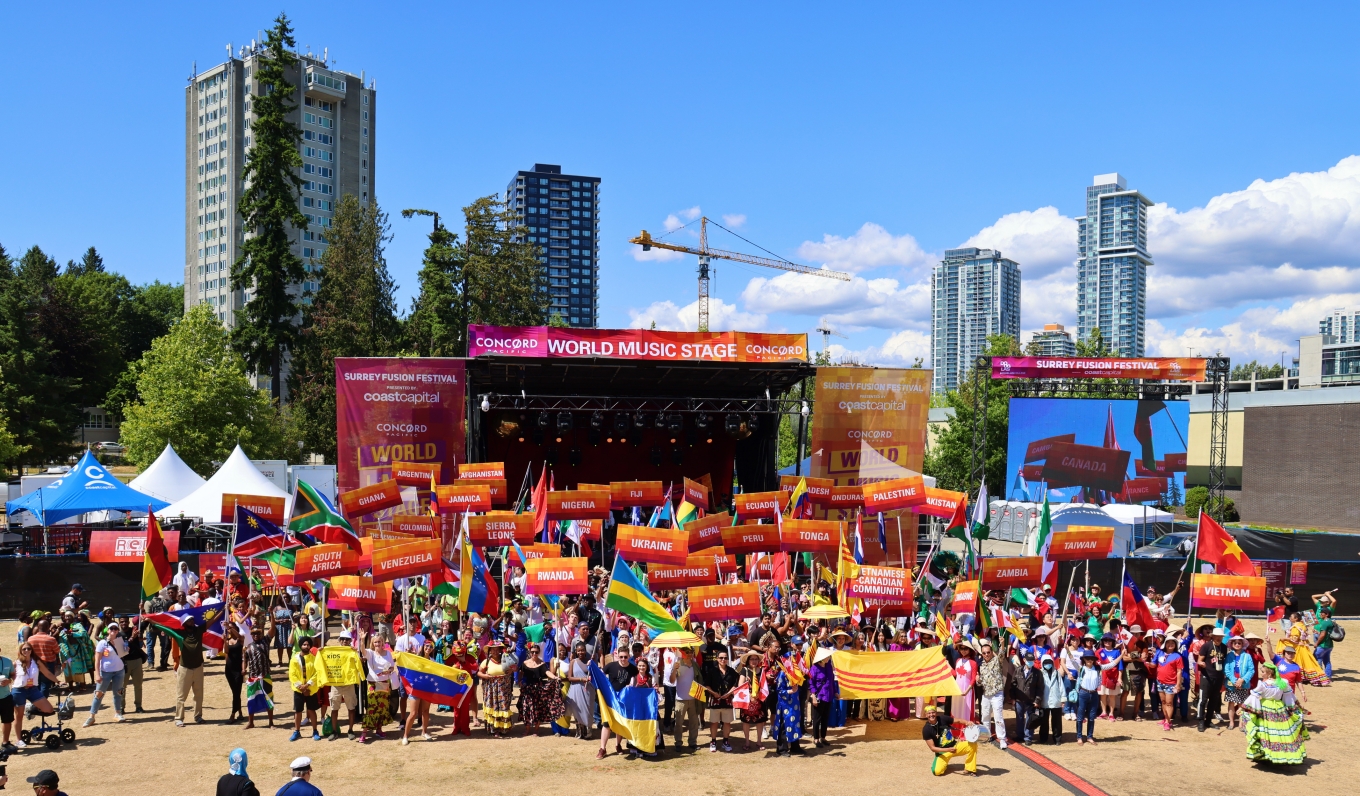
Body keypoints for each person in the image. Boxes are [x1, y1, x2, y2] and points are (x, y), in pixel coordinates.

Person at [1242, 659, 1308, 765]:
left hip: (1265, 709)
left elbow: (1253, 697)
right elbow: (1289, 697)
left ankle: (1267, 755)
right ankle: (1283, 756)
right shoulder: (1283, 683)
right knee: (1281, 733)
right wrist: (1293, 707)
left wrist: (1244, 708)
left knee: (1265, 732)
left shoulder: (1263, 685)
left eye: (1263, 672)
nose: (1261, 673)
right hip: (1279, 709)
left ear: (1269, 673)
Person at [10, 641, 58, 748]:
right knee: (19, 716)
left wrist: (58, 681)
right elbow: (9, 675)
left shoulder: (36, 662)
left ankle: (30, 708)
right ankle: (18, 740)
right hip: (19, 690)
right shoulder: (15, 663)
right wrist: (13, 680)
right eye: (24, 649)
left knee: (49, 709)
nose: (26, 651)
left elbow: (48, 673)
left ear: (32, 650)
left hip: (33, 689)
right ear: (20, 651)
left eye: (29, 649)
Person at [83, 619, 127, 726]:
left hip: (119, 671)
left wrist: (126, 649)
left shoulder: (120, 641)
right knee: (99, 693)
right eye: (111, 628)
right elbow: (97, 660)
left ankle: (118, 713)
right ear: (107, 630)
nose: (114, 630)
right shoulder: (102, 643)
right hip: (105, 672)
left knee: (118, 692)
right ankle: (91, 716)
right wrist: (97, 674)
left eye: (116, 629)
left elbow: (123, 655)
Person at [597, 644, 637, 758]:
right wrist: (592, 667)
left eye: (625, 657)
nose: (623, 659)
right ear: (617, 656)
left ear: (629, 656)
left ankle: (618, 744)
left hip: (624, 700)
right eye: (621, 657)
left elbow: (638, 680)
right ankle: (602, 748)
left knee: (620, 722)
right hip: (610, 699)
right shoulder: (611, 666)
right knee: (607, 724)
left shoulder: (633, 669)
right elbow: (600, 675)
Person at [519, 641, 563, 737]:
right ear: (529, 652)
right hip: (527, 690)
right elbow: (521, 673)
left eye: (536, 652)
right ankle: (527, 729)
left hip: (538, 689)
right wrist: (519, 682)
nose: (534, 654)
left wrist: (555, 677)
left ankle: (536, 730)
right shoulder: (525, 663)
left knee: (538, 710)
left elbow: (547, 672)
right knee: (526, 709)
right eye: (532, 652)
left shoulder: (542, 663)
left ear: (539, 652)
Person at [402, 640, 439, 745]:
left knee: (425, 711)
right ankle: (405, 735)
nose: (428, 648)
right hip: (416, 688)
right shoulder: (416, 659)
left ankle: (424, 732)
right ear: (423, 647)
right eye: (427, 646)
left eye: (431, 647)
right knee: (413, 713)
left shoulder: (433, 661)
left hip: (427, 689)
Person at [360, 635, 397, 743]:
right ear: (373, 643)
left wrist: (389, 671)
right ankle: (364, 733)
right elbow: (363, 651)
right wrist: (362, 639)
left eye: (379, 642)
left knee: (382, 707)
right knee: (371, 708)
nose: (377, 644)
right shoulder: (370, 653)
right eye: (375, 642)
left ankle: (379, 729)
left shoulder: (388, 653)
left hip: (385, 683)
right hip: (372, 683)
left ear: (382, 643)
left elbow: (391, 666)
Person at [923, 706, 976, 777]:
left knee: (973, 744)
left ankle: (970, 769)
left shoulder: (942, 718)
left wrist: (967, 722)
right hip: (943, 752)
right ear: (926, 715)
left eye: (933, 712)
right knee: (936, 772)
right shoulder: (926, 729)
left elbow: (958, 720)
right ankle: (942, 763)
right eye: (929, 713)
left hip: (955, 746)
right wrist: (948, 750)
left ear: (936, 713)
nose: (931, 715)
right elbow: (933, 748)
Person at [175, 614, 207, 727]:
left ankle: (198, 716)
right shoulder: (180, 633)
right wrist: (151, 620)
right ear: (184, 623)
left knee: (198, 694)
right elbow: (164, 627)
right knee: (181, 695)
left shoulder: (198, 630)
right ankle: (179, 718)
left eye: (192, 619)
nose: (192, 622)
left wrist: (222, 610)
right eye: (189, 620)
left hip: (198, 667)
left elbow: (210, 622)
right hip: (185, 669)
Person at [326, 636, 360, 741]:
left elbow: (358, 662)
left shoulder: (353, 651)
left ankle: (350, 730)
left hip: (349, 684)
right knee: (334, 708)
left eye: (347, 639)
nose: (345, 641)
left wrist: (356, 652)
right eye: (342, 639)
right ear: (339, 640)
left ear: (350, 640)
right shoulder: (332, 651)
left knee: (351, 708)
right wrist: (321, 651)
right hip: (336, 684)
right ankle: (334, 731)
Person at [705, 649, 740, 751]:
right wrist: (713, 693)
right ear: (717, 659)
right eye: (721, 658)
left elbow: (735, 685)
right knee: (714, 722)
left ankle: (725, 741)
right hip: (714, 700)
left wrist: (729, 693)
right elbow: (707, 685)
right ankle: (713, 741)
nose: (723, 660)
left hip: (727, 700)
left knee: (727, 722)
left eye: (725, 658)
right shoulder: (712, 671)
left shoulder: (732, 671)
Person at [479, 641, 516, 738]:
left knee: (503, 707)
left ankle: (503, 728)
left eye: (497, 649)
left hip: (504, 689)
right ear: (490, 651)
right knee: (493, 707)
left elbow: (515, 667)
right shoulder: (486, 661)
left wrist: (512, 669)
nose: (495, 651)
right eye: (493, 649)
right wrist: (485, 676)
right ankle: (494, 729)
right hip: (491, 690)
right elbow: (478, 673)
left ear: (500, 650)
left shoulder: (506, 659)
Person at [288, 637, 322, 742]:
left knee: (311, 710)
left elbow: (317, 673)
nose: (306, 646)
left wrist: (307, 685)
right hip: (299, 690)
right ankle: (297, 731)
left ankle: (315, 731)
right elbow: (292, 674)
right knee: (298, 711)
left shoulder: (314, 658)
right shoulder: (294, 658)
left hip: (311, 689)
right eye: (304, 644)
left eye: (308, 645)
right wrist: (301, 687)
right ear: (300, 645)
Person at [669, 646, 701, 751]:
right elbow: (672, 681)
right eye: (687, 652)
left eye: (691, 652)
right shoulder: (678, 664)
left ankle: (692, 742)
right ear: (683, 653)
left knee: (694, 723)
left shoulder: (695, 665)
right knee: (678, 723)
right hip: (680, 699)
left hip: (693, 699)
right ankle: (678, 743)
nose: (689, 654)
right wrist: (674, 670)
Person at [976, 639, 1006, 748]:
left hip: (997, 693)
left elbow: (1002, 654)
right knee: (985, 716)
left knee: (998, 717)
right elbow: (980, 683)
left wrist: (1002, 644)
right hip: (986, 694)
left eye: (988, 652)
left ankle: (1002, 738)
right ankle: (986, 735)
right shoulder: (981, 665)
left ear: (991, 652)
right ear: (982, 654)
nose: (986, 655)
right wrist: (978, 681)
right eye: (984, 653)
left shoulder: (997, 661)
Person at [1196, 627, 1228, 731]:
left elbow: (1224, 661)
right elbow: (1199, 660)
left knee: (1213, 700)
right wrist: (1202, 664)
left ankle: (1208, 721)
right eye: (1217, 636)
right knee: (1203, 699)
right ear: (1212, 636)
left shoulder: (1224, 647)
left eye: (1221, 637)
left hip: (1218, 677)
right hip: (1206, 676)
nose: (1219, 638)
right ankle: (1200, 721)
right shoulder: (1206, 646)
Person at [244, 625, 275, 729]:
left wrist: (271, 615)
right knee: (251, 699)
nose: (256, 635)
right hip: (253, 677)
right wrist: (243, 669)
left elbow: (272, 629)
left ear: (261, 634)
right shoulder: (248, 647)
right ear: (251, 635)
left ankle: (271, 722)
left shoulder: (266, 641)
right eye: (254, 633)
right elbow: (245, 659)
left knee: (269, 698)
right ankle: (251, 722)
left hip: (265, 676)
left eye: (258, 633)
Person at [806, 648, 836, 749]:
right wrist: (813, 696)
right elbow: (811, 683)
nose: (829, 657)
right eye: (827, 656)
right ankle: (816, 738)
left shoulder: (829, 666)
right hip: (819, 696)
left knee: (825, 718)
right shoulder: (814, 668)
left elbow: (831, 680)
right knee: (817, 718)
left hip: (828, 695)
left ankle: (823, 737)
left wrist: (835, 692)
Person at [1153, 633, 1184, 731]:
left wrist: (1178, 684)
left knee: (1169, 703)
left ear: (1175, 645)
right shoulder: (1159, 653)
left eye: (1172, 643)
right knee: (1163, 702)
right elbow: (1154, 665)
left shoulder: (1177, 656)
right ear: (1165, 644)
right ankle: (1165, 718)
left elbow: (1179, 671)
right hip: (1160, 681)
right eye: (1168, 643)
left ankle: (1168, 721)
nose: (1170, 644)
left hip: (1171, 683)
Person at [1224, 635, 1254, 730]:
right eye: (1235, 643)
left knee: (1242, 704)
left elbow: (1251, 670)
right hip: (1232, 684)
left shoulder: (1247, 656)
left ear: (1242, 644)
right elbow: (1227, 669)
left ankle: (1241, 723)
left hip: (1243, 684)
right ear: (1232, 644)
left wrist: (1242, 680)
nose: (1237, 644)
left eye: (1239, 643)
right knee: (1231, 703)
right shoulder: (1229, 656)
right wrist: (1234, 680)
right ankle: (1231, 722)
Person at [1036, 653, 1064, 745]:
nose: (1048, 665)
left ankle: (1057, 738)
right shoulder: (1040, 673)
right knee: (1044, 721)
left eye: (1049, 662)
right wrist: (1038, 700)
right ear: (1042, 664)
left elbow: (1061, 686)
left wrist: (1063, 699)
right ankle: (1043, 738)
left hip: (1056, 701)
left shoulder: (1056, 673)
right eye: (1045, 663)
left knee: (1057, 721)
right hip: (1044, 701)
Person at [222, 622, 246, 723]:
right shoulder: (227, 640)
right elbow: (226, 652)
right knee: (235, 692)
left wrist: (230, 627)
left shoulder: (240, 639)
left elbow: (239, 636)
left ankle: (232, 715)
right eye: (228, 628)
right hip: (229, 669)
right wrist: (224, 641)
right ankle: (240, 712)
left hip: (238, 669)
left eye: (232, 628)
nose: (229, 630)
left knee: (236, 692)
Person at [1313, 606, 1337, 680]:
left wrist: (1317, 643)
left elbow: (1323, 635)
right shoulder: (1330, 622)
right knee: (1327, 661)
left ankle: (1319, 676)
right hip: (1329, 645)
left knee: (1316, 658)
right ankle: (1328, 677)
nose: (1320, 614)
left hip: (1323, 645)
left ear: (1326, 614)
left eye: (1322, 613)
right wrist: (1318, 632)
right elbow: (1326, 633)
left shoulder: (1325, 623)